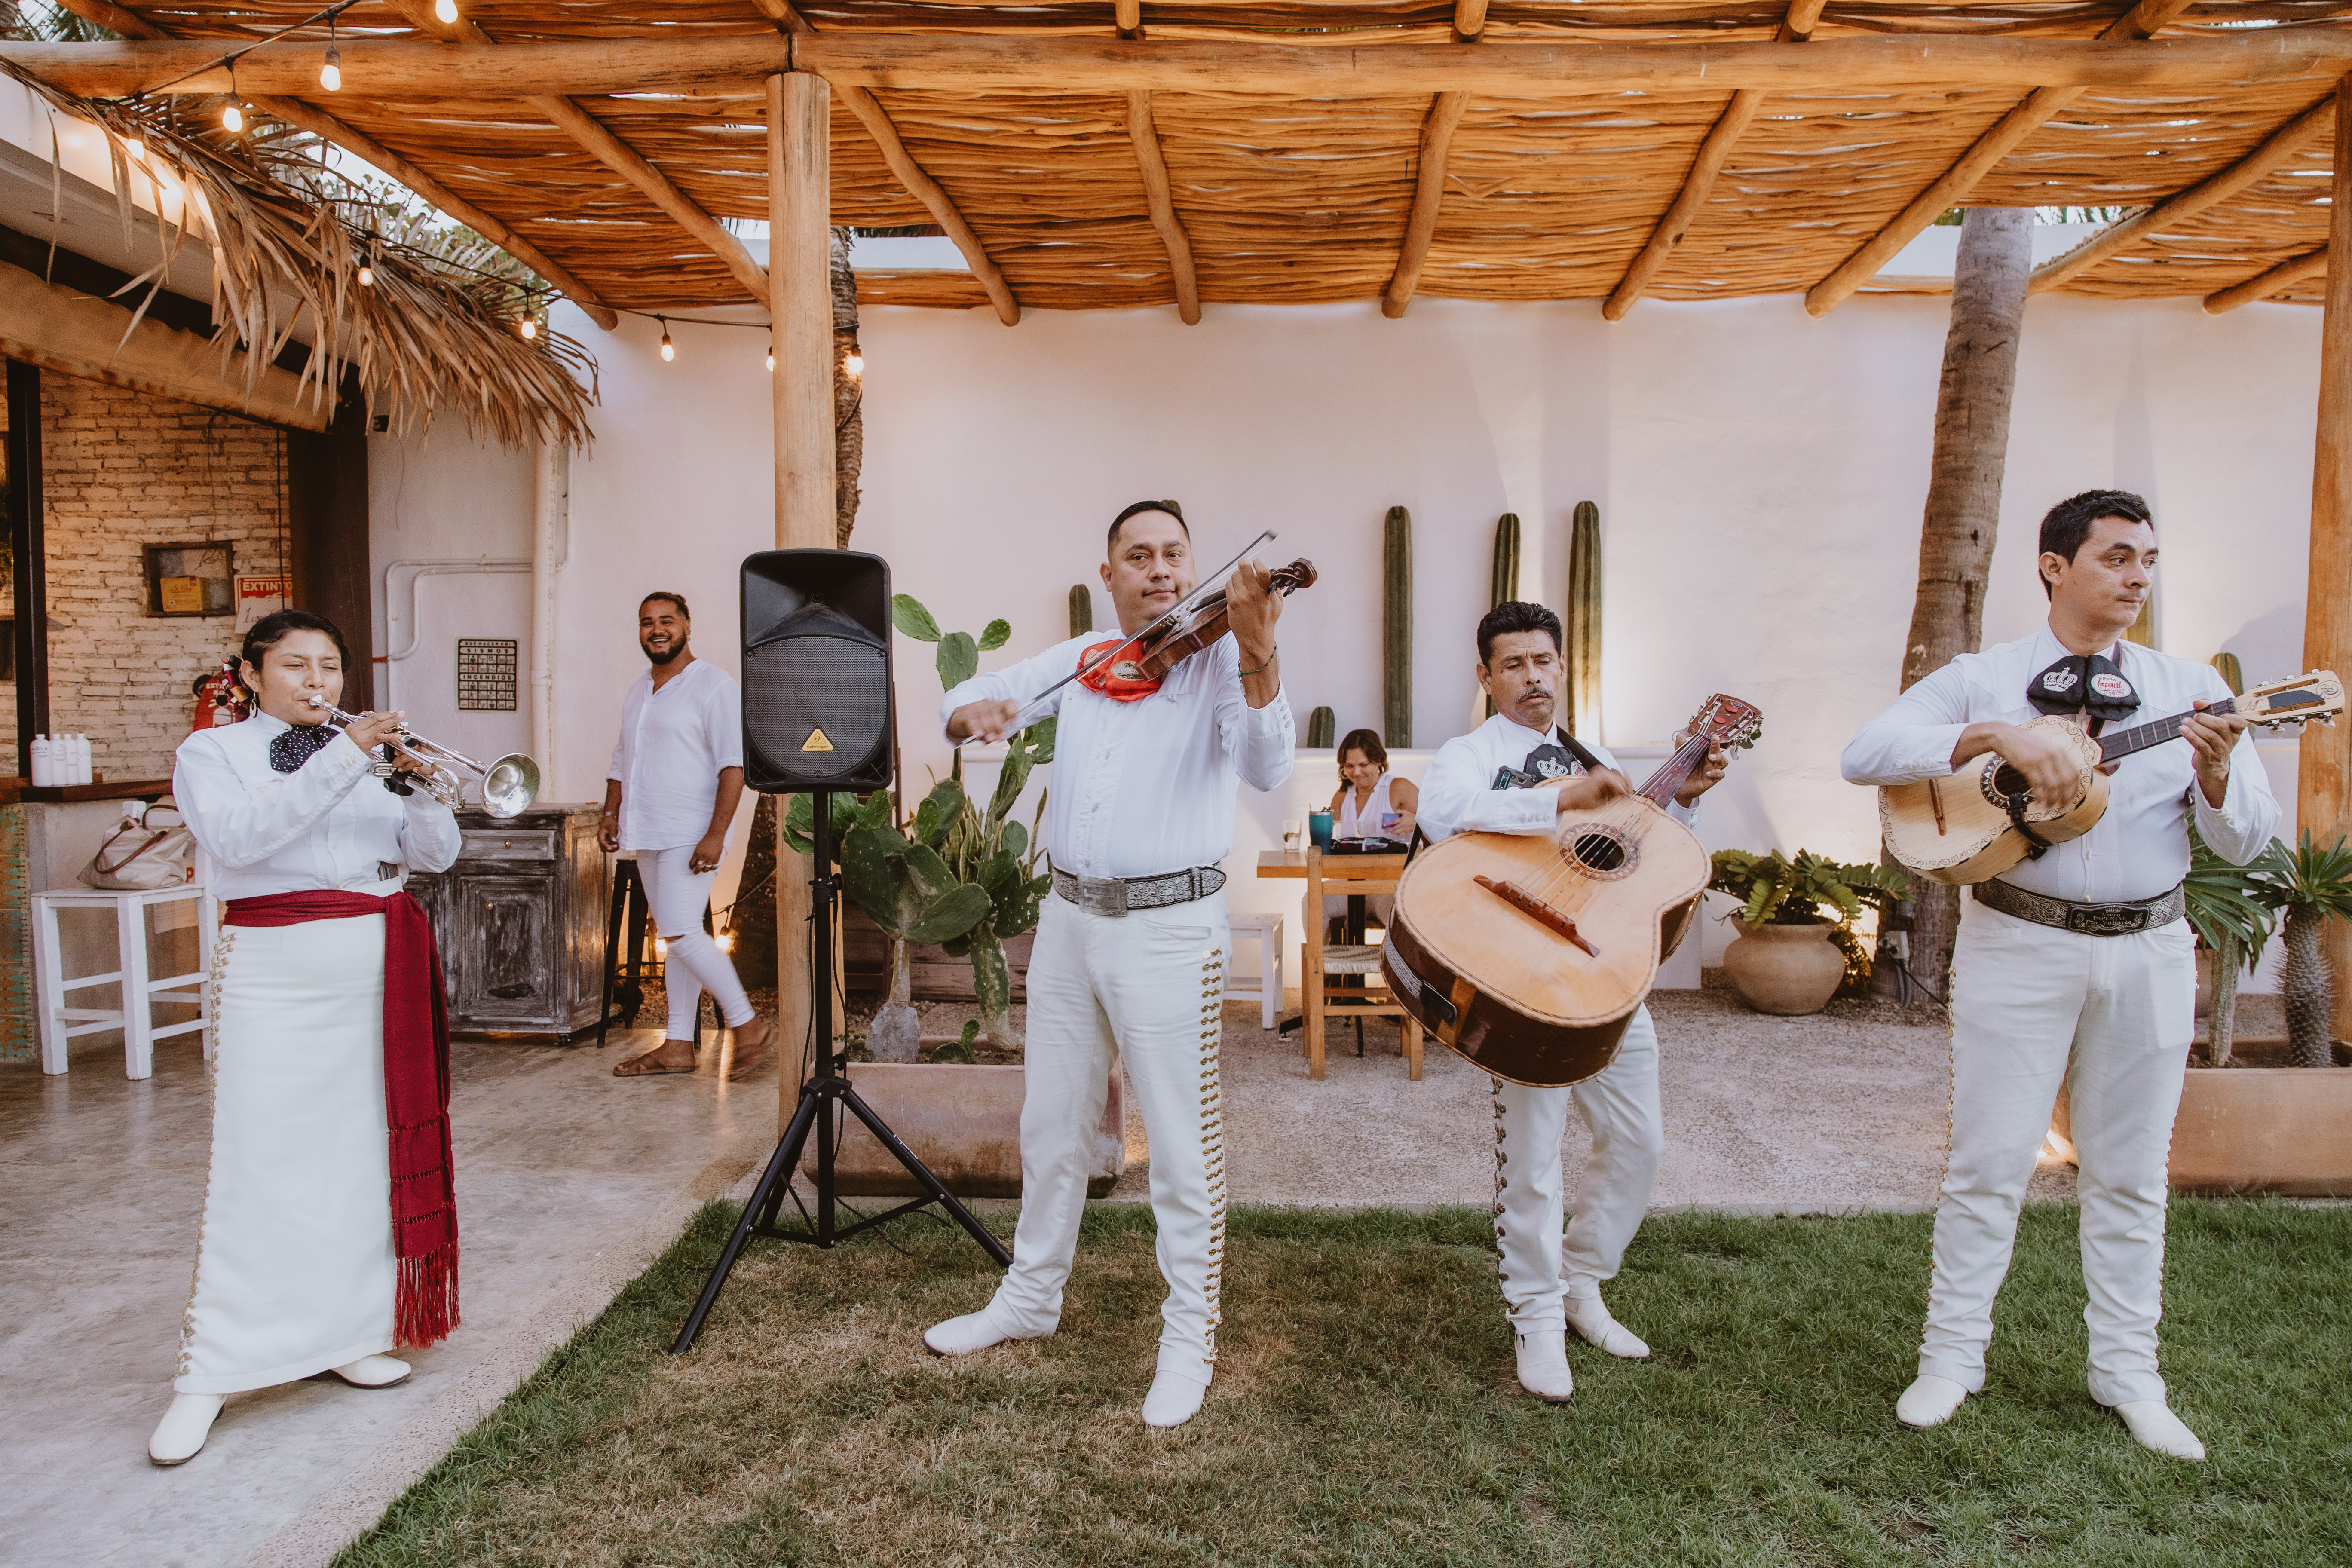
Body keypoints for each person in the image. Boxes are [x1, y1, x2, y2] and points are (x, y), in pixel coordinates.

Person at [1841, 490, 2277, 1462]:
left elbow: (2244, 841)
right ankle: (1950, 1360)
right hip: (2018, 944)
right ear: (2053, 566)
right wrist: (1993, 736)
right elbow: (1863, 753)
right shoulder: (1982, 676)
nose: (2134, 578)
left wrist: (2214, 772)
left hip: (2150, 949)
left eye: (2146, 561)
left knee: (2128, 1175)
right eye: (2115, 558)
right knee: (1987, 1164)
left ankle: (2126, 1375)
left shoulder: (2188, 686)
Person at [919, 499, 1293, 1429]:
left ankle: (1189, 1338)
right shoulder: (1088, 659)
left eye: (1175, 554)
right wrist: (976, 709)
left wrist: (1255, 649)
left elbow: (1267, 763)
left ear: (1194, 566)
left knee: (1180, 1150)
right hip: (1069, 923)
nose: (1161, 570)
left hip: (1169, 930)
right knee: (1052, 1128)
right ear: (1110, 573)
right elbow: (972, 695)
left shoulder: (1216, 661)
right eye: (1140, 556)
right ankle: (1030, 1296)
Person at [151, 609, 464, 1466]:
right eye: (296, 666)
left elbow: (431, 857)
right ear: (252, 674)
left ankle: (343, 1333)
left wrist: (425, 788)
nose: (318, 682)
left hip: (374, 964)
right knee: (256, 1164)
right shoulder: (212, 755)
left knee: (359, 1158)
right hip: (275, 972)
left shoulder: (360, 761)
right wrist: (346, 756)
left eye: (329, 666)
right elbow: (240, 839)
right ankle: (211, 1370)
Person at [1415, 601, 1727, 1406]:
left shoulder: (1601, 760)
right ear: (1484, 677)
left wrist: (1682, 800)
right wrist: (1560, 801)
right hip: (1520, 977)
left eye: (1543, 661)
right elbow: (1441, 814)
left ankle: (1583, 1283)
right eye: (1513, 664)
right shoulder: (1467, 754)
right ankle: (1535, 1316)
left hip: (1604, 972)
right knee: (1534, 1157)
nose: (1531, 677)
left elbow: (1648, 855)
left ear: (1562, 667)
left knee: (1639, 1141)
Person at [602, 591, 773, 1080]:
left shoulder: (714, 686)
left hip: (692, 830)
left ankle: (747, 1024)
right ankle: (678, 1045)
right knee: (676, 937)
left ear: (687, 626)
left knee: (680, 931)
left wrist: (716, 835)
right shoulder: (639, 690)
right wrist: (612, 812)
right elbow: (621, 759)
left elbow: (733, 766)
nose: (657, 630)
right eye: (647, 622)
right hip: (648, 829)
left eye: (667, 621)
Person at [1310, 728, 1418, 934]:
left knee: (1403, 918)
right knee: (1312, 901)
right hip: (1351, 885)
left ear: (1379, 761)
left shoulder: (1398, 788)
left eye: (1364, 764)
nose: (1356, 772)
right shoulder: (1342, 797)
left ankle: (1395, 966)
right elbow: (1333, 846)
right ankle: (1321, 965)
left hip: (1389, 887)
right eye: (1349, 766)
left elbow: (1441, 825)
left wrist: (1418, 821)